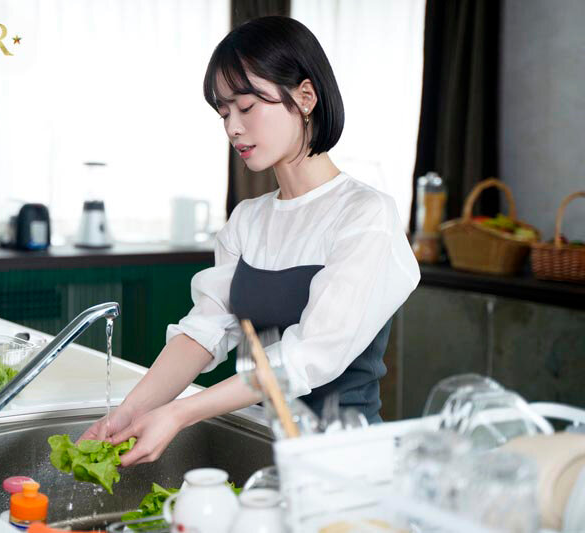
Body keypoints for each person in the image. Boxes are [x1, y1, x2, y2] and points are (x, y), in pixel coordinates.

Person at [80, 15, 420, 466]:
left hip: (343, 458)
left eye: (246, 107)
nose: (232, 128)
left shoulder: (365, 214)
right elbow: (202, 334)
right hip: (267, 443)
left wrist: (180, 413)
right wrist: (127, 414)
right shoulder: (248, 219)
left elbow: (309, 356)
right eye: (224, 113)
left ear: (305, 97)